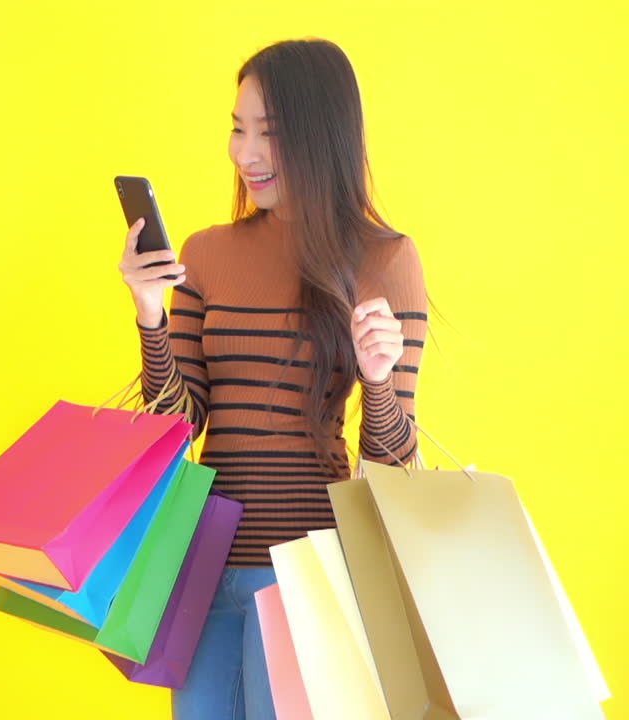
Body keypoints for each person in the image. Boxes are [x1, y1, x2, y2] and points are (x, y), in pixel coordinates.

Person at [117, 38, 427, 720]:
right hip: (200, 571)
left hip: (309, 569)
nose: (245, 153)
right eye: (238, 129)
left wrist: (378, 381)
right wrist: (149, 315)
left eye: (270, 133)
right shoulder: (206, 253)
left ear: (321, 137)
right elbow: (177, 427)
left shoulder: (385, 259)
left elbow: (393, 463)